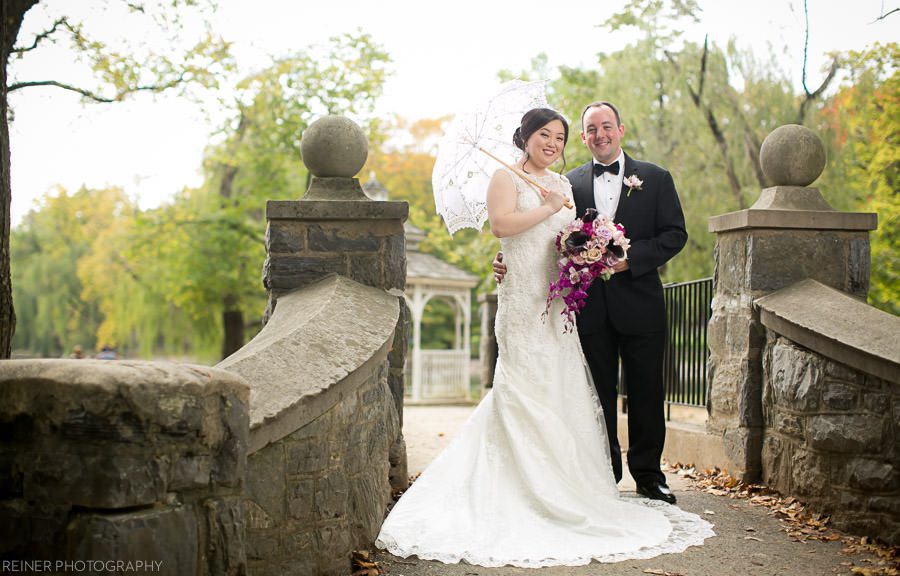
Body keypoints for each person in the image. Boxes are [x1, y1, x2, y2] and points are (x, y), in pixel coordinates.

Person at [376, 108, 711, 568]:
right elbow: (504, 227)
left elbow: (570, 241)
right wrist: (509, 252)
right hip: (532, 306)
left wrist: (602, 252)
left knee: (588, 391)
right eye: (545, 134)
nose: (554, 142)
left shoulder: (586, 181)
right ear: (526, 137)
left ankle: (629, 479)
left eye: (561, 135)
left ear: (619, 130)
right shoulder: (528, 180)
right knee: (545, 389)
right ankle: (558, 483)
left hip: (571, 305)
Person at [493, 101, 687, 504]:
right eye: (590, 130)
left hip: (640, 302)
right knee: (594, 393)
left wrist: (630, 260)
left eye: (606, 127)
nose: (599, 135)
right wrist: (504, 259)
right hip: (584, 306)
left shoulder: (655, 177)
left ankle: (650, 476)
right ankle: (604, 472)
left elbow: (674, 235)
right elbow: (546, 237)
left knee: (647, 391)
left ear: (620, 128)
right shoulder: (569, 183)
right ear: (584, 138)